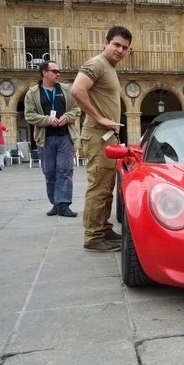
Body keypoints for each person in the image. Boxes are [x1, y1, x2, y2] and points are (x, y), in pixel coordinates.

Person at [70, 26, 132, 252]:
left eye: (125, 47)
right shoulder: (97, 63)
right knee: (99, 186)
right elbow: (77, 90)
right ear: (105, 43)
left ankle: (103, 228)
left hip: (107, 136)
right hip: (98, 134)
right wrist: (98, 117)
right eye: (116, 44)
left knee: (107, 186)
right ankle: (93, 237)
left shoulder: (109, 67)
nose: (120, 50)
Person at [24, 60, 81, 217]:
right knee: (49, 172)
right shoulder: (33, 93)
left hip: (64, 137)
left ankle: (63, 204)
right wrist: (48, 120)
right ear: (45, 73)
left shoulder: (66, 90)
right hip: (45, 138)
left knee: (65, 170)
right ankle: (55, 203)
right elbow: (29, 115)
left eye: (58, 71)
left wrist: (67, 117)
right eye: (55, 71)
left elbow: (76, 110)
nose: (58, 74)